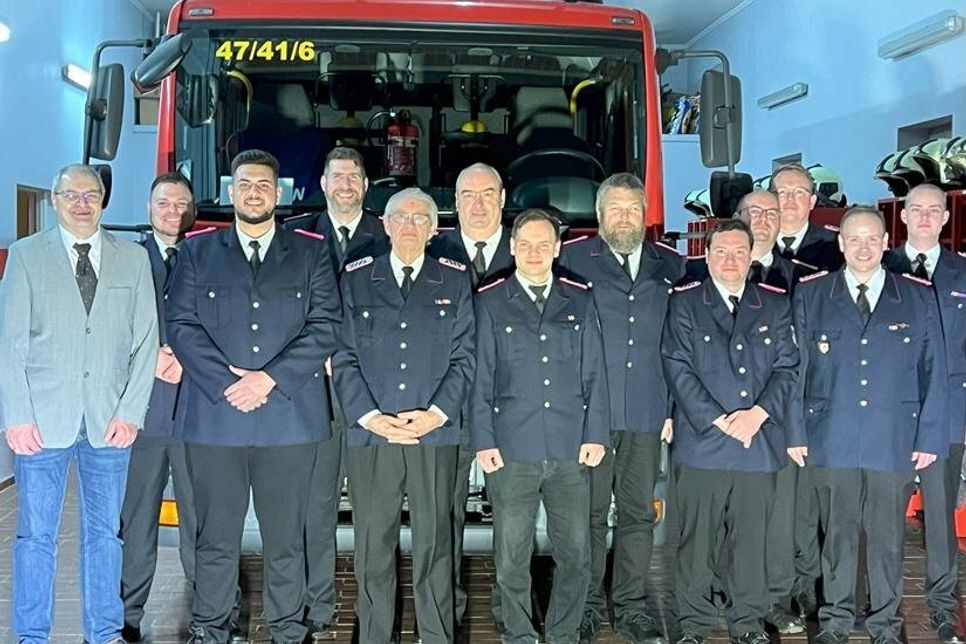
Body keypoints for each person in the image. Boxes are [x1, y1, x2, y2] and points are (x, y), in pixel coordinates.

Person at [166, 149, 342, 644]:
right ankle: (211, 627)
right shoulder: (197, 252)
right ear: (230, 191)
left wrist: (269, 379)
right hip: (215, 419)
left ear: (279, 193)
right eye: (245, 184)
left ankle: (288, 630)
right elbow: (181, 325)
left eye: (264, 184)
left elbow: (326, 325)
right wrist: (227, 382)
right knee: (215, 540)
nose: (254, 192)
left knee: (287, 540)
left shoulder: (310, 254)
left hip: (289, 419)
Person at [0, 163, 158, 644]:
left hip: (109, 422)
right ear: (54, 200)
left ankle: (105, 633)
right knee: (36, 538)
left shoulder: (132, 259)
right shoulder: (27, 256)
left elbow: (146, 341)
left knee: (105, 536)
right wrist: (17, 417)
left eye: (91, 194)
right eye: (72, 195)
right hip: (42, 424)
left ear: (103, 199)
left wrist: (131, 412)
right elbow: (10, 344)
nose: (82, 203)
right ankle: (31, 636)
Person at [788, 205, 946, 644]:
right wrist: (795, 432)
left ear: (885, 243)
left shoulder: (915, 294)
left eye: (872, 239)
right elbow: (796, 369)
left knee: (887, 540)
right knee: (836, 538)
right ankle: (835, 623)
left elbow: (934, 368)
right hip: (831, 437)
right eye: (854, 239)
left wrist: (929, 435)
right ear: (840, 243)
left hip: (891, 438)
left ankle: (885, 626)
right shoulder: (812, 294)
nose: (863, 247)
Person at [333, 187, 475, 644]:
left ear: (435, 229)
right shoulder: (355, 278)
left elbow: (465, 357)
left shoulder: (453, 279)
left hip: (433, 435)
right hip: (373, 435)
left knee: (435, 544)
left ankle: (436, 635)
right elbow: (343, 354)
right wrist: (370, 417)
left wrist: (436, 414)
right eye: (401, 216)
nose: (410, 225)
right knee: (373, 546)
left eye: (420, 218)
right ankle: (376, 635)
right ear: (386, 225)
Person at [471, 208, 609, 644]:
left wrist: (596, 433)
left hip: (570, 448)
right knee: (511, 555)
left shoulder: (579, 298)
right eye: (525, 244)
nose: (534, 253)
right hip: (513, 448)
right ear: (512, 248)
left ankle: (564, 632)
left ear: (556, 248)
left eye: (543, 244)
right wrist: (483, 440)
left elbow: (595, 375)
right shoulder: (490, 300)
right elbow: (480, 378)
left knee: (577, 554)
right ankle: (518, 633)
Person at [558, 173, 682, 644]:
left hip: (648, 410)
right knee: (587, 515)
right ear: (600, 212)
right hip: (590, 413)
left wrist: (672, 405)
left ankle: (630, 605)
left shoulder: (669, 265)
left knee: (636, 513)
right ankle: (587, 605)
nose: (625, 216)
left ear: (645, 213)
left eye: (634, 208)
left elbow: (679, 341)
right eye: (616, 208)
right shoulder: (570, 261)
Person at [662, 219, 798, 644]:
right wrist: (720, 419)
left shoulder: (773, 304)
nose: (731, 259)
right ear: (707, 254)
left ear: (751, 255)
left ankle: (747, 623)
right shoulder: (686, 303)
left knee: (750, 543)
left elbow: (788, 367)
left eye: (740, 251)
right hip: (704, 444)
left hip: (757, 444)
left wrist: (757, 414)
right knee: (695, 543)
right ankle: (693, 624)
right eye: (721, 251)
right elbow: (677, 366)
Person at [284, 146, 389, 637]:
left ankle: (373, 614)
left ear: (366, 186)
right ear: (322, 184)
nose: (346, 184)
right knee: (317, 506)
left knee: (374, 513)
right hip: (315, 396)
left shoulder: (390, 234)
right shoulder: (296, 236)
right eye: (337, 176)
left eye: (354, 176)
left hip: (374, 395)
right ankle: (317, 606)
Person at [428, 162, 515, 632]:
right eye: (467, 194)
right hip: (450, 408)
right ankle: (448, 608)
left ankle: (510, 609)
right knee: (444, 514)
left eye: (487, 193)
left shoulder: (528, 248)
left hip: (512, 409)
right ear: (454, 201)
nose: (477, 204)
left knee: (513, 518)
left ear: (503, 198)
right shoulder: (432, 250)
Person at [882, 184, 966, 644]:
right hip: (889, 417)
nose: (927, 217)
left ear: (946, 218)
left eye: (936, 210)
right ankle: (884, 609)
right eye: (918, 209)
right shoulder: (882, 268)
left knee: (940, 520)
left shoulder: (962, 273)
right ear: (905, 216)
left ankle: (941, 608)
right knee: (883, 518)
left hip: (948, 415)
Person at [119, 173, 198, 643]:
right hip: (142, 414)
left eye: (181, 204)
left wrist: (186, 359)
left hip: (195, 415)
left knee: (200, 520)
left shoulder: (205, 258)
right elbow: (107, 327)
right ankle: (127, 617)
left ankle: (207, 614)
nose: (172, 211)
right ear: (149, 207)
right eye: (163, 203)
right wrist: (151, 357)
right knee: (137, 521)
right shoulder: (126, 260)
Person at [771, 163, 843, 277]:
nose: (790, 199)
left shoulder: (836, 245)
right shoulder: (753, 244)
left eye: (799, 192)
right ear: (769, 199)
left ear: (812, 202)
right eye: (782, 192)